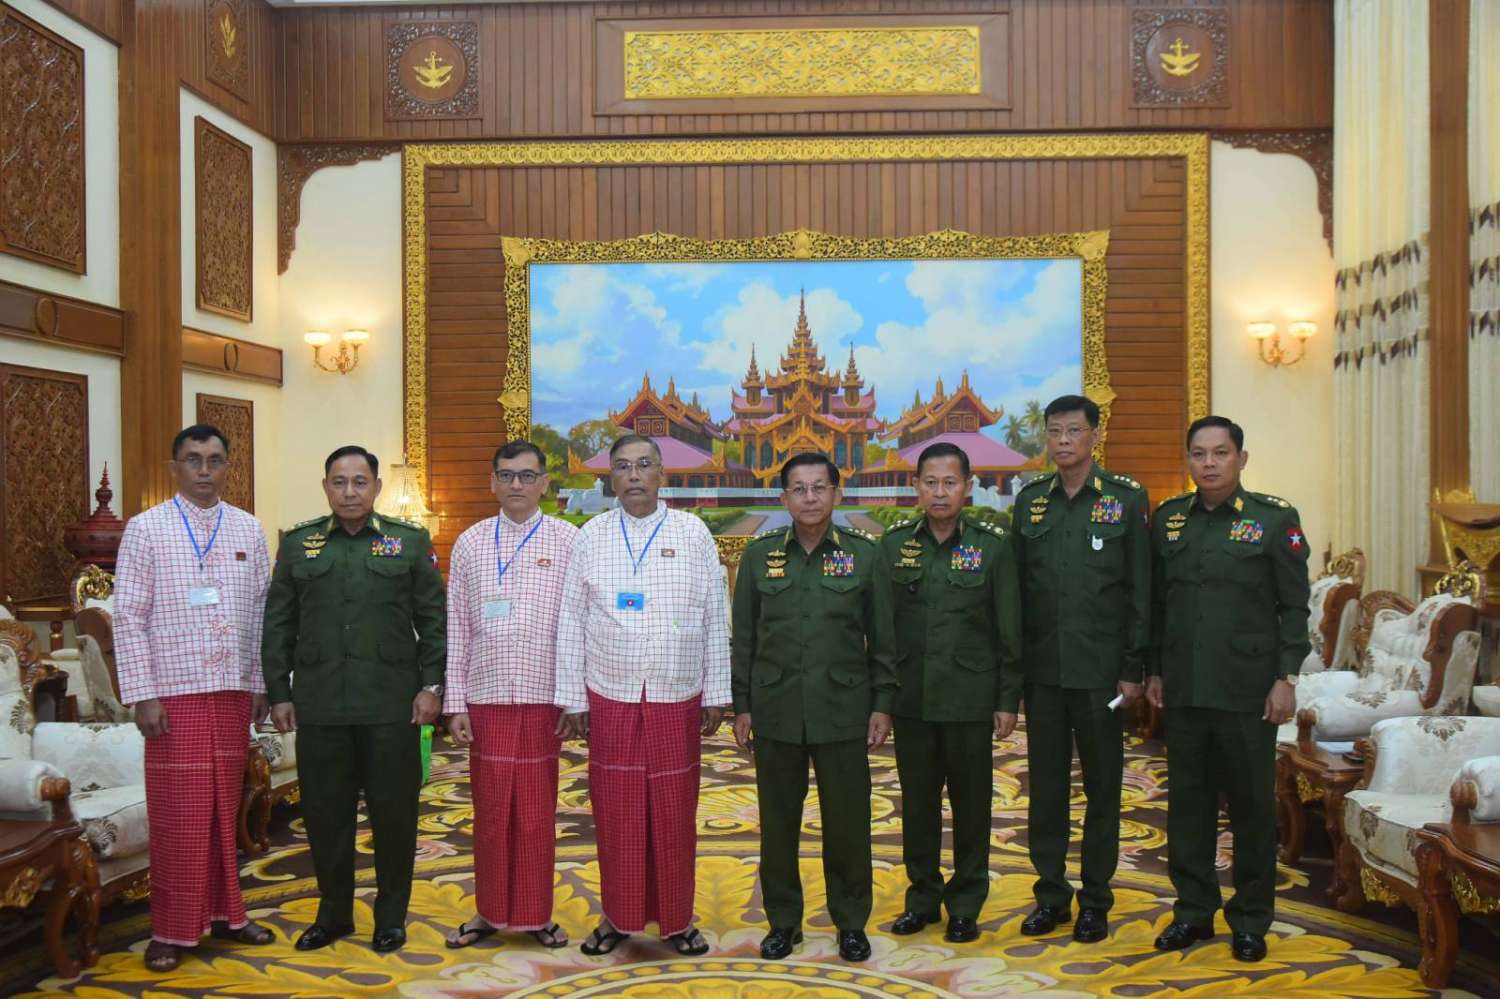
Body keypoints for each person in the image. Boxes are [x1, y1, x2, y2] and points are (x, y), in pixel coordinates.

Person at [262, 445, 446, 954]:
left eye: (360, 482)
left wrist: (432, 686)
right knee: (325, 818)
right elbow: (278, 623)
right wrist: (279, 691)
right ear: (325, 487)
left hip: (392, 706)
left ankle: (390, 918)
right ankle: (334, 915)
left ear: (376, 488)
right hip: (321, 705)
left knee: (394, 817)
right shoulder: (298, 545)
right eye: (339, 482)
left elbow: (433, 620)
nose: (349, 491)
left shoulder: (409, 542)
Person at [555, 434, 730, 957]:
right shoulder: (592, 535)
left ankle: (676, 920)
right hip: (611, 691)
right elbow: (571, 619)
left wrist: (717, 691)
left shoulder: (692, 532)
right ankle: (618, 917)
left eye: (643, 465)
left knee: (674, 810)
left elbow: (714, 613)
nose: (633, 475)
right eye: (623, 467)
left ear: (661, 474)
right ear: (611, 477)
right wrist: (573, 698)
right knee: (617, 811)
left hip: (676, 691)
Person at [1147, 416, 1309, 963]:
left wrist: (1286, 678)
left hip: (1247, 691)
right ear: (1188, 460)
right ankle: (1193, 911)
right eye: (1199, 453)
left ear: (1242, 458)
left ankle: (1250, 919)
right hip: (1185, 688)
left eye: (1220, 452)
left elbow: (1295, 606)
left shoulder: (1273, 519)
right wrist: (1154, 669)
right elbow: (1159, 605)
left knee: (1251, 810)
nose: (1209, 463)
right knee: (1187, 807)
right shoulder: (1169, 520)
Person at [113, 424, 273, 971]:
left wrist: (260, 683)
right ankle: (171, 930)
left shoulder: (248, 528)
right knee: (179, 814)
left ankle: (229, 914)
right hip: (172, 695)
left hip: (231, 690)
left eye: (214, 460)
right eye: (193, 460)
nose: (204, 470)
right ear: (174, 468)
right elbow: (128, 617)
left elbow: (262, 615)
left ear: (228, 467)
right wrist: (142, 694)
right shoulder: (146, 529)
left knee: (225, 810)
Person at [732, 452, 897, 964]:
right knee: (778, 824)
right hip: (776, 709)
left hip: (843, 708)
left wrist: (882, 704)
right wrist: (743, 705)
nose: (809, 498)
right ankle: (784, 922)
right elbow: (745, 638)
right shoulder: (759, 557)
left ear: (836, 494)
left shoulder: (864, 555)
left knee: (847, 824)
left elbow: (884, 638)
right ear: (784, 498)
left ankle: (851, 922)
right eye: (798, 489)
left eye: (819, 488)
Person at [1011, 395, 1150, 943]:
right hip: (1044, 674)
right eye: (1054, 431)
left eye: (1073, 430)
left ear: (1095, 434)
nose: (1063, 440)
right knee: (1045, 791)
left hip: (1102, 677)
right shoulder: (1031, 503)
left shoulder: (1125, 499)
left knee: (1102, 789)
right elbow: (1017, 594)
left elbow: (1140, 590)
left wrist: (1133, 666)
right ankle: (1051, 894)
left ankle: (1095, 899)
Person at [878, 442, 1020, 945]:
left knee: (971, 806)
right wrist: (882, 701)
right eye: (931, 483)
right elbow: (882, 632)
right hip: (912, 699)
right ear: (916, 487)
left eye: (950, 483)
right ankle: (921, 899)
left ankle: (965, 904)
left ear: (967, 487)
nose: (940, 493)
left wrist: (1007, 699)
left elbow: (1008, 628)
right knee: (917, 806)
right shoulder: (893, 546)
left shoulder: (992, 547)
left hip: (969, 699)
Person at [444, 440, 578, 950]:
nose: (516, 484)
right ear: (492, 482)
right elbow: (457, 627)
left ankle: (535, 913)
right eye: (506, 475)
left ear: (545, 483)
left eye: (526, 476)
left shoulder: (569, 540)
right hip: (487, 697)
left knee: (538, 813)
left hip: (544, 699)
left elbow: (578, 626)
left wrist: (572, 698)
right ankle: (490, 911)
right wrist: (455, 702)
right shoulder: (471, 542)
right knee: (491, 812)